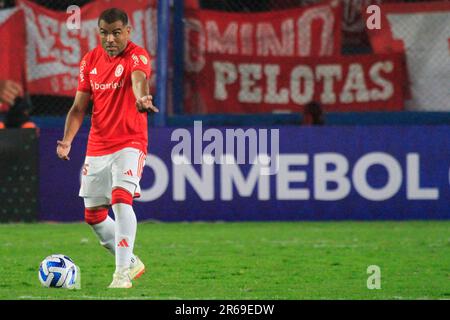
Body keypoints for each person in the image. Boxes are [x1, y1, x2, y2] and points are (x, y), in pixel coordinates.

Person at [56, 8, 159, 289]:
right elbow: (79, 108)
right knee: (94, 215)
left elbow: (139, 79)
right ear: (98, 32)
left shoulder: (137, 55)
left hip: (129, 141)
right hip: (98, 144)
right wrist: (67, 141)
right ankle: (131, 260)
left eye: (116, 32)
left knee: (120, 198)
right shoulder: (89, 60)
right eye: (104, 33)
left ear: (128, 31)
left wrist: (141, 99)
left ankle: (121, 274)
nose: (110, 39)